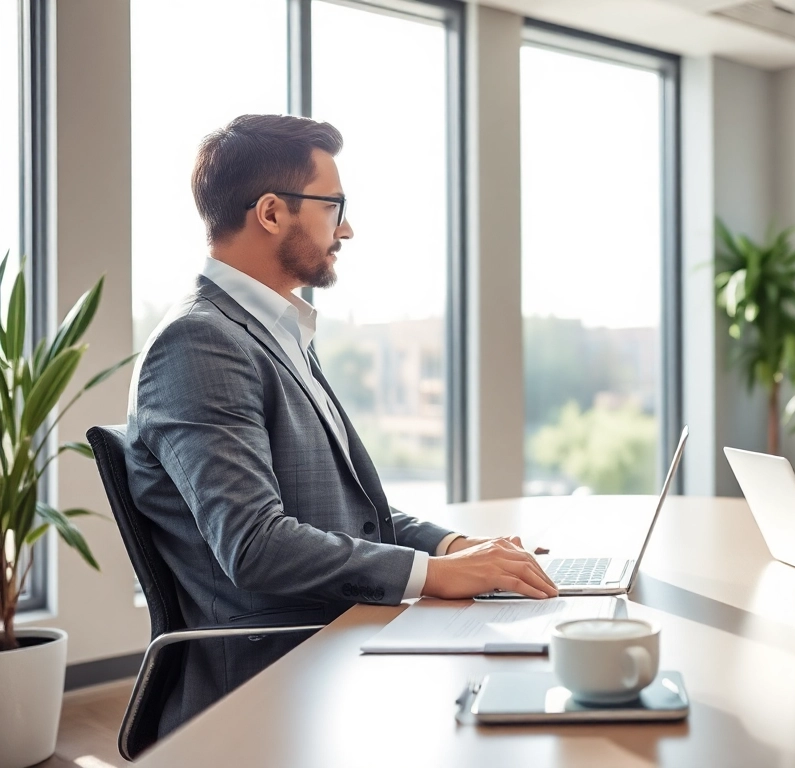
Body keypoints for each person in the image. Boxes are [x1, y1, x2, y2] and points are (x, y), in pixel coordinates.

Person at [125, 114, 558, 737]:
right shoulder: (200, 343)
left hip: (329, 637)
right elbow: (255, 545)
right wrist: (433, 575)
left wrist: (456, 549)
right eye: (334, 206)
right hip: (273, 676)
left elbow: (346, 512)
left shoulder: (275, 334)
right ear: (271, 212)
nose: (346, 228)